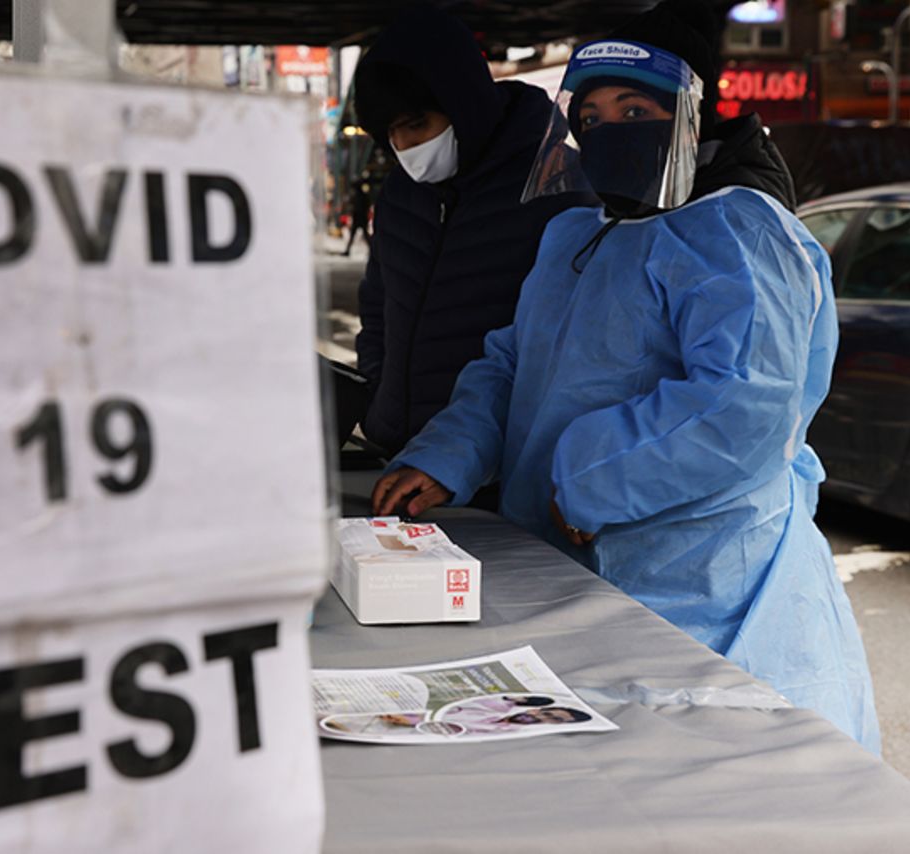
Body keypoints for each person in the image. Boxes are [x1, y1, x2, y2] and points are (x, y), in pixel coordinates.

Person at [371, 0, 880, 752]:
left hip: (708, 591)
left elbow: (742, 404)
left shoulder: (738, 232)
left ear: (689, 114)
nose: (611, 129)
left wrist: (587, 476)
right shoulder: (576, 232)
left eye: (635, 107)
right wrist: (445, 452)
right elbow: (512, 362)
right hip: (572, 569)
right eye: (594, 114)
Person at [350, 6, 589, 457]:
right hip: (396, 449)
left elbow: (567, 344)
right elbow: (378, 302)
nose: (405, 147)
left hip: (496, 463)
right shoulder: (401, 193)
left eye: (417, 124)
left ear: (462, 101)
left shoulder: (554, 186)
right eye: (390, 134)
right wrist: (378, 392)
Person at [341, 175, 373, 256]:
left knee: (361, 235)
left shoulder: (358, 195)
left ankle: (372, 250)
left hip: (359, 217)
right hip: (360, 217)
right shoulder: (361, 195)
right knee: (361, 235)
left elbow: (357, 207)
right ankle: (348, 251)